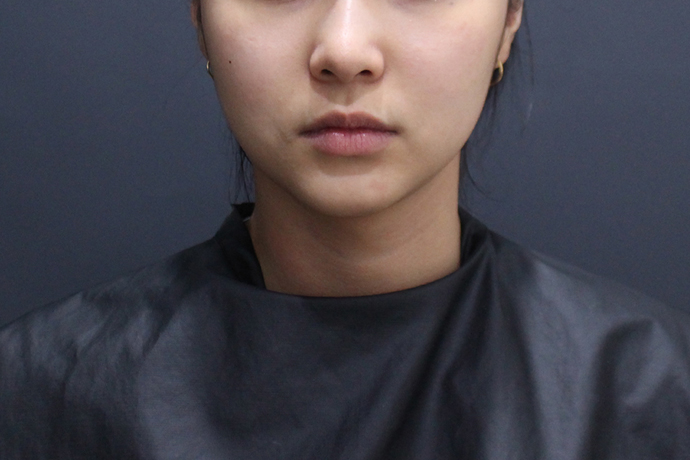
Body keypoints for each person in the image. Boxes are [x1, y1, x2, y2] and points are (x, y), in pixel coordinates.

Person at [1, 0, 689, 458]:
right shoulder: (42, 395)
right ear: (199, 18)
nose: (345, 49)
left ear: (508, 20)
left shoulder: (649, 390)